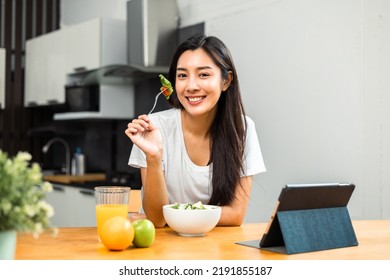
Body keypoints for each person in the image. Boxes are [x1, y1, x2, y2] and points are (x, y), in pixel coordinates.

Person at [125, 34, 266, 228]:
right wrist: (154, 157)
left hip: (212, 248)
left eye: (204, 74)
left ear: (226, 81)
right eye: (182, 75)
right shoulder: (153, 128)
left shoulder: (242, 128)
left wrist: (174, 213)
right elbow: (157, 219)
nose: (191, 86)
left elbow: (235, 215)